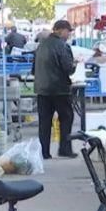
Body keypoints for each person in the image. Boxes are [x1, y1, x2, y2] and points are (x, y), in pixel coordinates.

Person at [34, 20, 77, 159]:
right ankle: (65, 148)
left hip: (42, 89)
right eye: (68, 31)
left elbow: (33, 69)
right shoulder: (62, 46)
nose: (69, 34)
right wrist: (75, 64)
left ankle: (44, 152)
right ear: (61, 30)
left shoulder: (41, 45)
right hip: (59, 89)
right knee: (66, 117)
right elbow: (68, 68)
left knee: (44, 122)